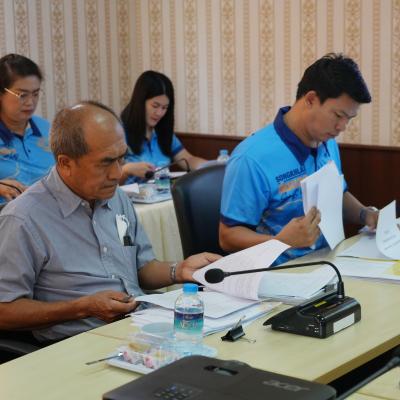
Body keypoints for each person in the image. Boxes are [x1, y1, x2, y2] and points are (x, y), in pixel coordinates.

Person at [0, 101, 220, 343]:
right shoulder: (23, 219)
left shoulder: (117, 198)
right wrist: (81, 308)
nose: (117, 174)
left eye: (121, 159)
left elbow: (141, 269)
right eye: (105, 163)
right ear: (65, 163)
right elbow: (4, 311)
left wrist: (180, 269)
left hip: (136, 327)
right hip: (77, 342)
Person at [219, 53, 379, 265]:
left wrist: (365, 214)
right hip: (277, 273)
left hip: (327, 263)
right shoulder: (251, 158)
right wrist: (280, 241)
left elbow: (337, 194)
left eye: (349, 119)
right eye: (338, 115)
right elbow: (227, 237)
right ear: (310, 99)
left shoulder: (327, 141)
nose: (342, 127)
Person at [120, 70, 207, 183]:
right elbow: (108, 180)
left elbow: (188, 159)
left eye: (164, 108)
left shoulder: (163, 132)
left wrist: (214, 165)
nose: (159, 113)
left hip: (163, 194)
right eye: (155, 106)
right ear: (140, 102)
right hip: (130, 195)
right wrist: (127, 170)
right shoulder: (119, 134)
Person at [0, 53, 54, 202]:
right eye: (22, 95)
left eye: (35, 94)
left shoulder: (48, 129)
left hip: (50, 209)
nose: (30, 102)